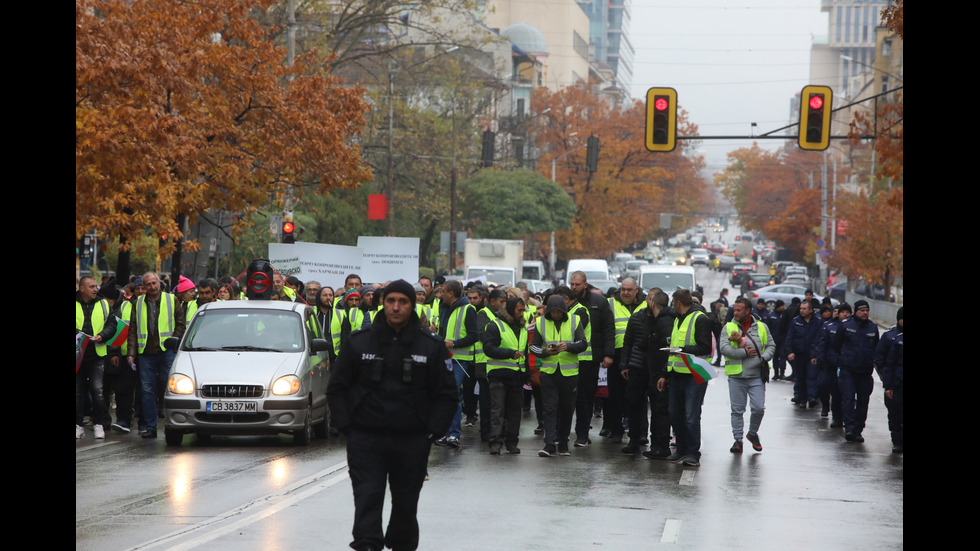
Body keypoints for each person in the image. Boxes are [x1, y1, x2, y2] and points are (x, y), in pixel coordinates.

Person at [326, 280, 457, 551]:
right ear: (382, 303)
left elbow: (446, 394)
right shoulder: (359, 343)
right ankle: (367, 544)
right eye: (390, 301)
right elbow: (337, 389)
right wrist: (348, 427)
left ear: (412, 305)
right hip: (366, 438)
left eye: (403, 302)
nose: (396, 307)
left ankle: (402, 544)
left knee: (406, 505)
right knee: (367, 499)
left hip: (411, 440)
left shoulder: (430, 346)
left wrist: (431, 433)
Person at [126, 272, 186, 439]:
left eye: (154, 283)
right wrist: (131, 353)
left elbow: (180, 324)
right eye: (148, 285)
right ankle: (151, 427)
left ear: (159, 283)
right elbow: (133, 329)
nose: (152, 287)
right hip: (146, 353)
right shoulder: (137, 303)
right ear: (143, 287)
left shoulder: (171, 299)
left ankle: (171, 425)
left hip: (166, 352)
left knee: (168, 389)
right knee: (147, 390)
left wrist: (173, 341)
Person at [658, 289, 713, 466]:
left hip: (694, 375)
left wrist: (682, 350)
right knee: (675, 414)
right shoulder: (677, 319)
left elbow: (705, 347)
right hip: (676, 374)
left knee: (691, 416)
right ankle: (681, 450)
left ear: (677, 302)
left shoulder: (700, 318)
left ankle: (692, 453)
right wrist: (665, 375)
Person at [530, 295, 587, 456]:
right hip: (548, 372)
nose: (556, 314)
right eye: (553, 312)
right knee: (550, 409)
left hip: (569, 373)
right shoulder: (541, 322)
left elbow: (583, 343)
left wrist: (568, 346)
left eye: (558, 312)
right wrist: (545, 352)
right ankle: (549, 444)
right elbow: (533, 347)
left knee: (567, 409)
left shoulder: (574, 320)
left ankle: (563, 443)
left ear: (564, 311)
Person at [619, 290, 673, 457]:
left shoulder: (665, 320)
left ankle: (657, 443)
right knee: (634, 403)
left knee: (658, 407)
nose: (649, 301)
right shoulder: (637, 317)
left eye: (652, 299)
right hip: (637, 366)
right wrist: (624, 364)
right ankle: (634, 439)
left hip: (655, 369)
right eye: (648, 298)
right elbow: (628, 342)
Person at [720, 298, 776, 453]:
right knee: (737, 410)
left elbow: (771, 345)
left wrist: (763, 358)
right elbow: (724, 348)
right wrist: (743, 352)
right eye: (734, 310)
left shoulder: (761, 327)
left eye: (739, 310)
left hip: (756, 375)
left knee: (758, 408)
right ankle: (738, 440)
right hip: (736, 376)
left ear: (748, 311)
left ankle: (752, 433)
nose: (735, 313)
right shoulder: (729, 327)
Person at [567, 271, 615, 448]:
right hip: (568, 358)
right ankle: (562, 433)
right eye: (572, 284)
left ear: (585, 284)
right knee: (567, 398)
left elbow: (608, 329)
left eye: (577, 284)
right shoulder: (568, 302)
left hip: (590, 360)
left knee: (585, 398)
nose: (574, 287)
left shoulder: (599, 302)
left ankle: (582, 435)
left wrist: (608, 354)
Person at [482, 296, 529, 454]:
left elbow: (525, 353)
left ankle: (511, 442)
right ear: (510, 309)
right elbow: (488, 349)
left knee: (515, 411)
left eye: (523, 310)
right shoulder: (495, 325)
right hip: (499, 375)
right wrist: (509, 353)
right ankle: (495, 443)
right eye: (519, 310)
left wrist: (526, 373)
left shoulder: (522, 328)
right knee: (498, 410)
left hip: (516, 376)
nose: (522, 313)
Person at [433, 279, 477, 449]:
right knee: (446, 395)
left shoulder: (468, 309)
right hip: (445, 359)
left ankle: (453, 434)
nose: (440, 294)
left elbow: (474, 336)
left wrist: (454, 344)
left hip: (460, 360)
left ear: (451, 293)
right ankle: (447, 432)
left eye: (443, 291)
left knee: (452, 394)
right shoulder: (445, 308)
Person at [603, 278, 646, 442]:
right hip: (617, 354)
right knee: (615, 395)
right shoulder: (610, 303)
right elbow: (606, 330)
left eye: (629, 290)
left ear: (636, 290)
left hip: (639, 354)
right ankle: (616, 431)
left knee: (639, 396)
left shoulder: (646, 303)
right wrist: (607, 353)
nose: (626, 293)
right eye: (623, 289)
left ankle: (641, 432)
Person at [832, 300, 880, 443]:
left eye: (867, 311)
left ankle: (858, 429)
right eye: (862, 310)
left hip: (865, 372)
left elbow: (876, 348)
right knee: (848, 399)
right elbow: (836, 346)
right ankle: (850, 428)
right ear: (856, 311)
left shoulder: (872, 327)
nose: (865, 313)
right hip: (848, 371)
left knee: (863, 402)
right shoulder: (846, 325)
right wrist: (843, 360)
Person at [76, 276, 118, 439]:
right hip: (78, 356)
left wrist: (102, 335)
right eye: (92, 286)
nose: (96, 289)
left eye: (96, 286)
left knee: (98, 391)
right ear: (82, 288)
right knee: (78, 392)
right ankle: (78, 425)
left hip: (97, 355)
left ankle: (98, 424)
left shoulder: (103, 304)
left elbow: (112, 324)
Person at [813, 303, 850, 427]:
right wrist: (821, 359)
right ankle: (829, 410)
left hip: (847, 366)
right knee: (827, 388)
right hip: (830, 365)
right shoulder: (828, 326)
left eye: (847, 312)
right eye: (842, 312)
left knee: (845, 395)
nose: (845, 314)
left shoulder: (852, 327)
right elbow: (822, 344)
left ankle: (844, 418)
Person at [784, 300, 822, 408]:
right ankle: (801, 398)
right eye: (801, 308)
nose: (802, 311)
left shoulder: (818, 322)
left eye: (804, 309)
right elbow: (790, 338)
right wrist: (790, 352)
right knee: (800, 377)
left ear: (811, 310)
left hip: (812, 355)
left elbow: (820, 339)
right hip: (799, 354)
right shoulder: (796, 321)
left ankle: (812, 397)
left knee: (812, 376)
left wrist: (816, 354)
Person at [875, 307, 903, 452]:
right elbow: (881, 361)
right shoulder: (890, 337)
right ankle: (897, 441)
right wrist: (888, 384)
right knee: (895, 414)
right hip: (895, 383)